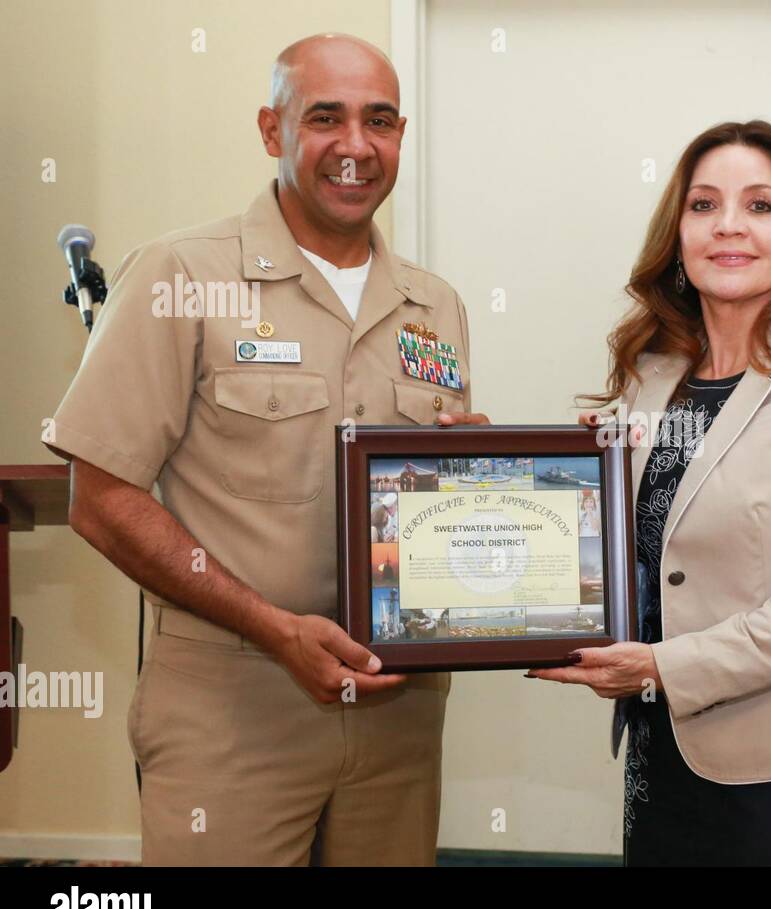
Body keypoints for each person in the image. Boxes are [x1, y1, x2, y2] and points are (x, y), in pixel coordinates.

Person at [44, 33, 487, 865]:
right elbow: (99, 501)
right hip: (232, 703)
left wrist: (482, 485)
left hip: (398, 710)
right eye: (326, 118)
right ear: (272, 129)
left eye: (380, 122)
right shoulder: (180, 275)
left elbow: (423, 500)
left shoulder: (436, 307)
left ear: (401, 136)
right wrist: (276, 630)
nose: (356, 147)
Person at [531, 121, 771, 866]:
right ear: (678, 233)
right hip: (660, 749)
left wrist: (664, 668)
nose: (729, 225)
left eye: (759, 206)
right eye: (704, 205)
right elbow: (624, 541)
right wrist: (478, 473)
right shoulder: (653, 374)